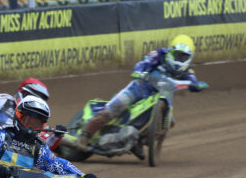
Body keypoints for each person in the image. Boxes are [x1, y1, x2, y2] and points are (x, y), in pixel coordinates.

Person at [72, 34, 208, 155]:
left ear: (190, 57)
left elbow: (192, 81)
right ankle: (85, 134)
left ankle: (139, 142)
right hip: (139, 88)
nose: (180, 59)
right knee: (116, 106)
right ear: (170, 51)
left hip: (161, 97)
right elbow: (144, 62)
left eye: (184, 56)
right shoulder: (159, 54)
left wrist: (197, 85)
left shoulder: (187, 70)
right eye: (177, 55)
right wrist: (139, 71)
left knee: (170, 121)